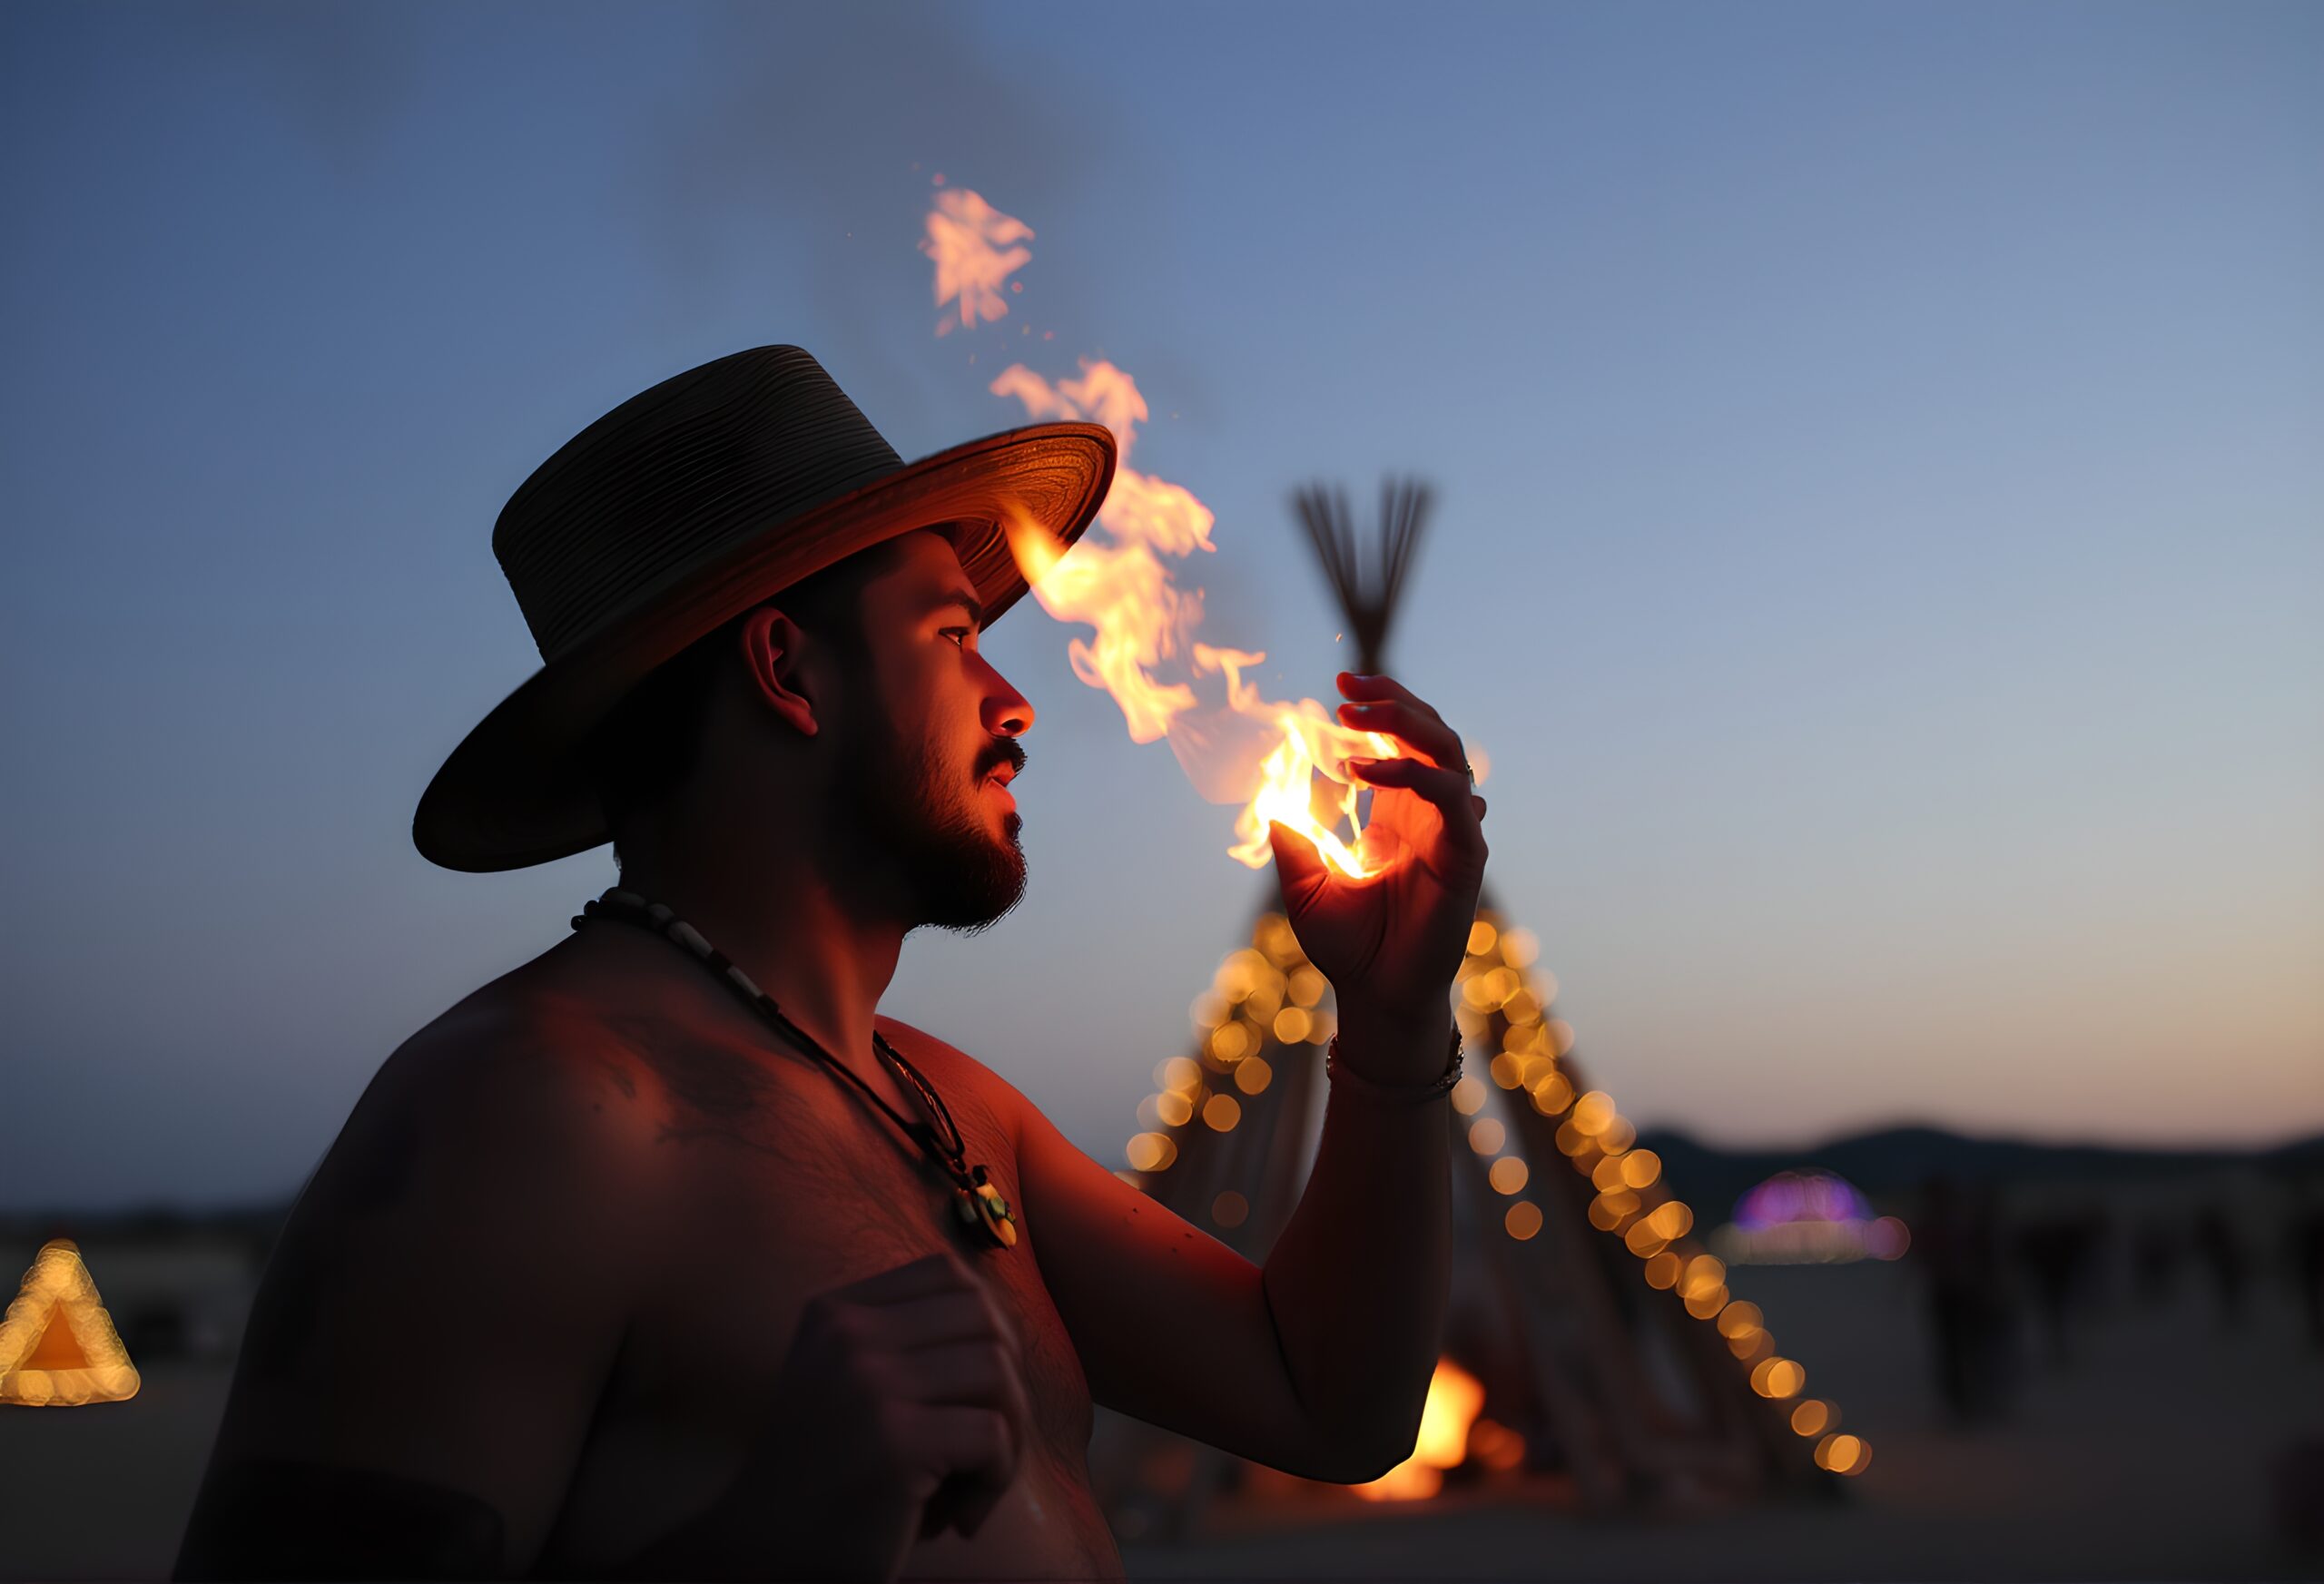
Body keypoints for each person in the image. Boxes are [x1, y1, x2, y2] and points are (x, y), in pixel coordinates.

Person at [173, 346, 1488, 1580]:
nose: (1014, 698)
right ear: (788, 669)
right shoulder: (526, 1112)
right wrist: (764, 1543)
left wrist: (1390, 1016)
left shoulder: (952, 1107)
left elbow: (1331, 1400)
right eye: (952, 635)